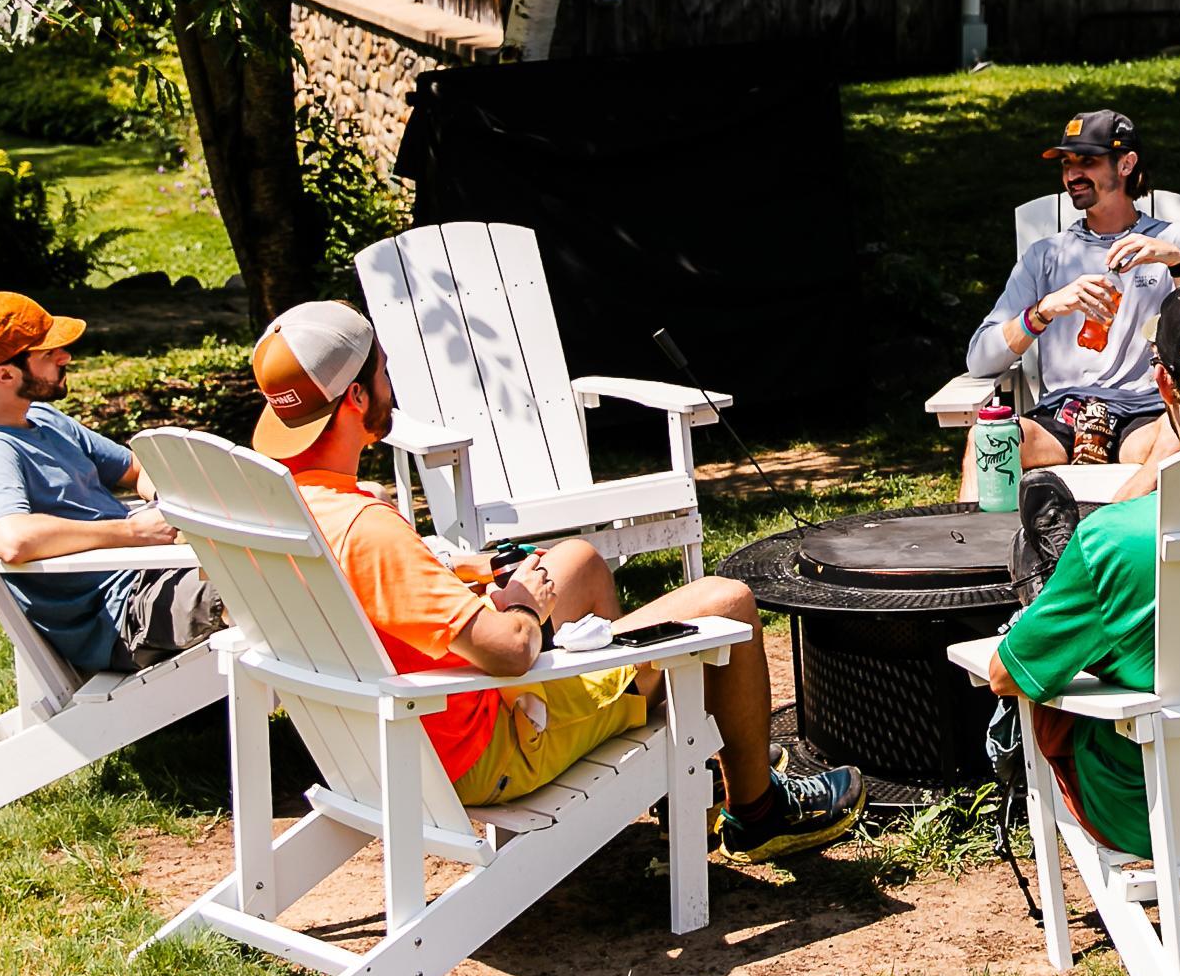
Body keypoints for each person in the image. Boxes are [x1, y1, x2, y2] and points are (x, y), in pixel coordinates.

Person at [243, 300, 865, 858]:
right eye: (383, 370)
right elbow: (509, 651)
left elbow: (386, 592)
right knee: (728, 602)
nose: (390, 382)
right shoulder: (369, 530)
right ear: (356, 398)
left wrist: (468, 574)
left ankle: (675, 778)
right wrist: (524, 607)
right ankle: (758, 815)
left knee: (578, 560)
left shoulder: (286, 510)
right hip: (486, 744)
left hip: (392, 738)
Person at [980, 278, 1180, 857]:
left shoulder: (1119, 538)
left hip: (1159, 810)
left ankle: (1052, 587)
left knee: (1072, 632)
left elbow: (1004, 676)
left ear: (1163, 383)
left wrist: (1143, 484)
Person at [0, 289, 227, 674]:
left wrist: (166, 502)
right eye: (49, 354)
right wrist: (133, 532)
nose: (66, 357)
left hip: (158, 571)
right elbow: (12, 539)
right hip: (124, 611)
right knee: (269, 590)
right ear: (4, 374)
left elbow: (136, 467)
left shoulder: (43, 419)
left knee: (283, 568)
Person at [960, 108, 1180, 497]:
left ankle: (1108, 520)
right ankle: (969, 543)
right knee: (987, 439)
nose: (1072, 174)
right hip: (1062, 419)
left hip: (1143, 417)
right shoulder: (1045, 256)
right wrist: (1043, 311)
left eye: (1087, 161)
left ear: (1126, 164)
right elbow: (980, 359)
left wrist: (1177, 264)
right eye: (1067, 163)